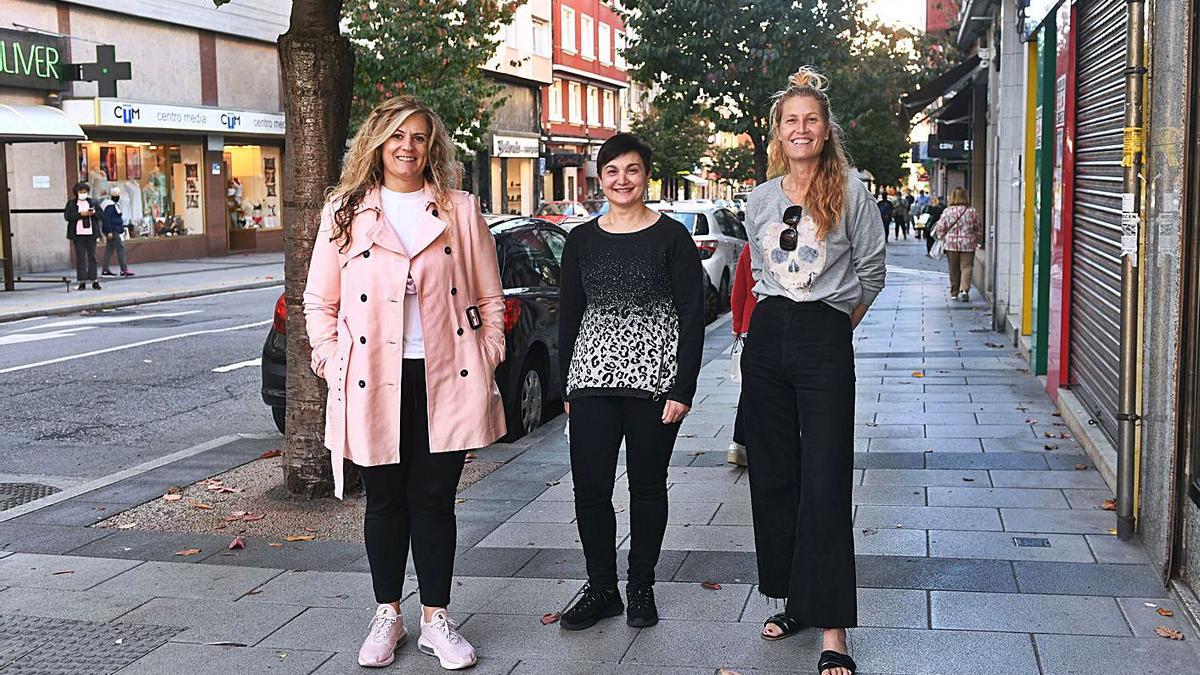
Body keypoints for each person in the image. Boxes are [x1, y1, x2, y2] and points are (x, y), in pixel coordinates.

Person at [304, 95, 507, 670]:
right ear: (377, 142)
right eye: (396, 135)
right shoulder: (345, 211)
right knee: (386, 501)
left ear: (432, 146)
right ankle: (388, 613)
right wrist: (329, 359)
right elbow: (319, 300)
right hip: (373, 377)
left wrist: (489, 352)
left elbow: (490, 295)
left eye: (418, 136)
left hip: (446, 374)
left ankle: (437, 619)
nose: (407, 147)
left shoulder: (460, 209)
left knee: (436, 500)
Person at [742, 66, 886, 675]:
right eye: (790, 121)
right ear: (778, 132)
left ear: (826, 130)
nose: (801, 129)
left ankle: (833, 633)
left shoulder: (852, 191)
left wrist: (835, 328)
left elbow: (872, 272)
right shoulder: (760, 198)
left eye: (812, 120)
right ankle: (795, 598)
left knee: (824, 480)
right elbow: (756, 274)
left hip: (825, 333)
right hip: (770, 336)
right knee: (774, 477)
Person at [557, 132, 704, 632]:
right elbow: (569, 316)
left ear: (646, 176)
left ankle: (641, 586)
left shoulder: (672, 238)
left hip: (654, 382)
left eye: (633, 169)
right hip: (592, 379)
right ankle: (602, 589)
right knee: (590, 489)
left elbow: (692, 314)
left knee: (647, 486)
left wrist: (682, 388)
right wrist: (567, 388)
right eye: (613, 170)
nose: (623, 180)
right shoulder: (580, 240)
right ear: (601, 178)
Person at [727, 244, 755, 466]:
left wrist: (737, 325)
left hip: (750, 326)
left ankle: (739, 444)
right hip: (772, 323)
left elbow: (739, 291)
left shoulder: (750, 248)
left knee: (749, 390)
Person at [931, 186, 983, 302]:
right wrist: (977, 239)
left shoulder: (947, 211)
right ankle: (964, 290)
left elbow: (940, 228)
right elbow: (978, 228)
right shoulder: (971, 212)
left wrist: (942, 236)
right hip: (968, 243)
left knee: (953, 268)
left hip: (951, 244)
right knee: (967, 267)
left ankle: (954, 291)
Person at [64, 182, 103, 291]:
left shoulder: (92, 202)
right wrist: (81, 214)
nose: (83, 194)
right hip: (78, 234)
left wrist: (93, 213)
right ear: (76, 193)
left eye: (85, 192)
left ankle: (94, 280)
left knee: (92, 257)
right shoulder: (71, 204)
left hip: (91, 234)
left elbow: (101, 215)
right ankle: (82, 281)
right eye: (81, 192)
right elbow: (68, 216)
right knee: (80, 258)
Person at [100, 187, 133, 277]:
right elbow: (107, 219)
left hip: (113, 229)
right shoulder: (110, 205)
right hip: (113, 230)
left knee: (109, 249)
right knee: (120, 248)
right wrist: (109, 231)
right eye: (115, 195)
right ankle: (124, 269)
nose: (117, 197)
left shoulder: (110, 204)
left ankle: (105, 270)